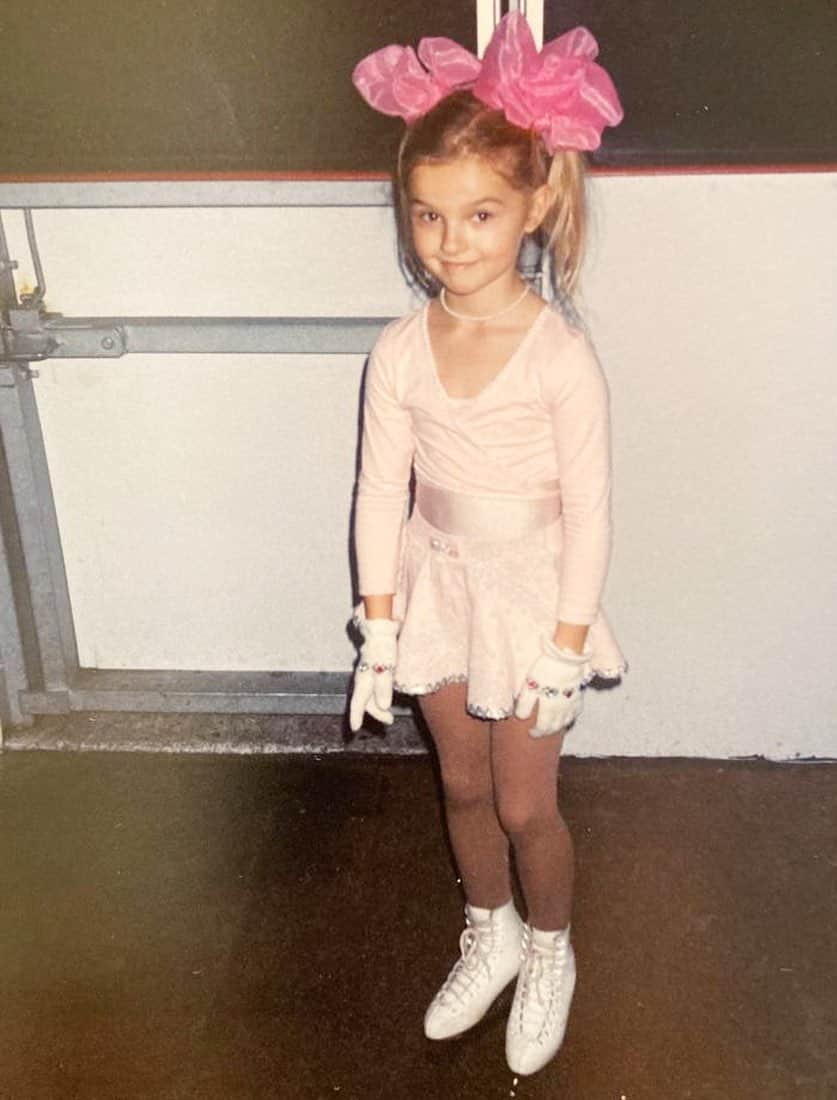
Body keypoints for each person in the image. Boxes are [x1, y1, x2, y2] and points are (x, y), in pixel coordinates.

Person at [348, 12, 628, 1078]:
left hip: (528, 597)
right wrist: (379, 627)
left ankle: (550, 948)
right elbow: (379, 490)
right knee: (460, 788)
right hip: (436, 586)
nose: (449, 241)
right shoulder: (398, 351)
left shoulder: (559, 357)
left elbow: (591, 511)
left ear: (534, 203)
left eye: (477, 214)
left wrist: (563, 646)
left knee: (523, 799)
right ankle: (492, 927)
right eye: (427, 216)